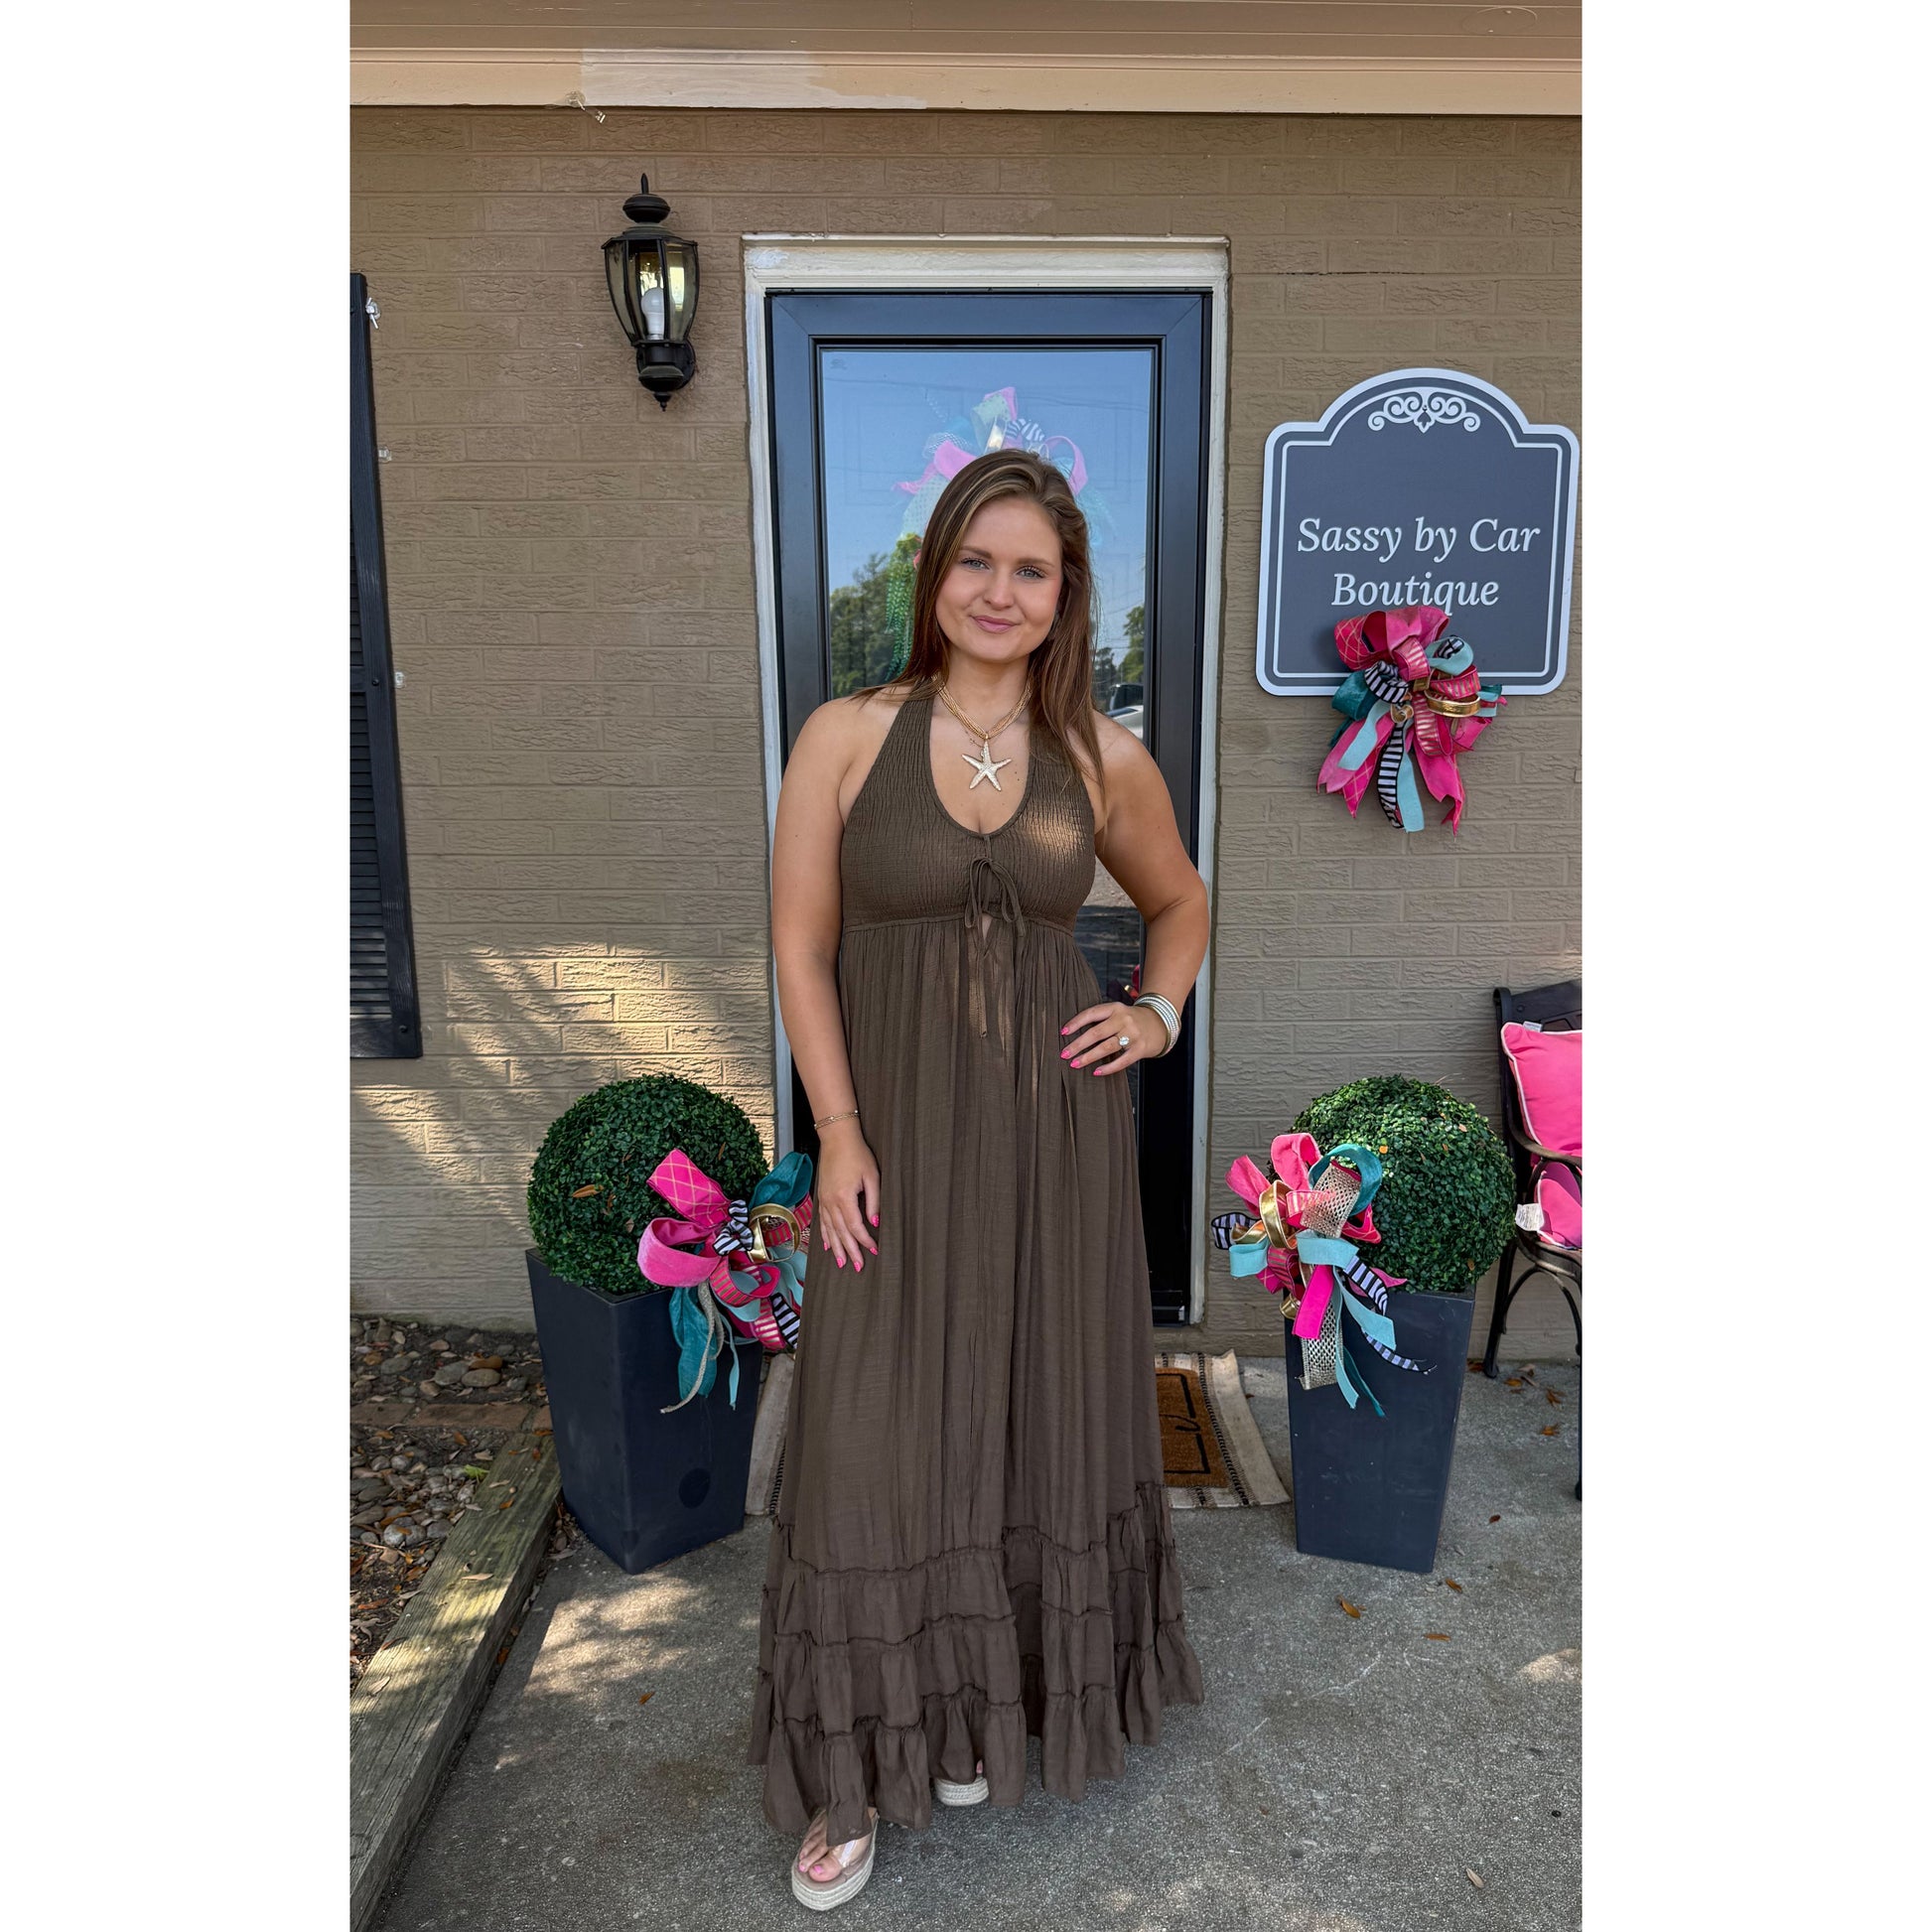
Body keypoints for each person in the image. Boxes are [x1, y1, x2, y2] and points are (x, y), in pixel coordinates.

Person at [752, 448, 1208, 1910]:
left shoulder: (1099, 754)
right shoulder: (845, 736)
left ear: (1066, 595)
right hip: (889, 1134)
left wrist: (1155, 1013)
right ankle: (853, 1764)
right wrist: (837, 1129)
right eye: (975, 560)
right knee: (873, 1427)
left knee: (1031, 1410)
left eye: (1031, 570)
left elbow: (1180, 899)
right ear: (931, 572)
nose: (998, 592)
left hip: (1056, 1140)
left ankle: (986, 1707)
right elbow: (800, 945)